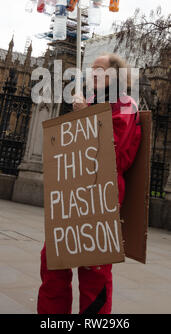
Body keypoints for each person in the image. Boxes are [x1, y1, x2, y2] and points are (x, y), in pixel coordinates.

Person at [37, 53, 141, 314]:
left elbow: (112, 153)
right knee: (52, 261)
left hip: (101, 196)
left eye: (99, 69)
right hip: (75, 193)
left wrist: (86, 116)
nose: (92, 72)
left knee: (94, 273)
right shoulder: (92, 100)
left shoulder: (126, 105)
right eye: (91, 68)